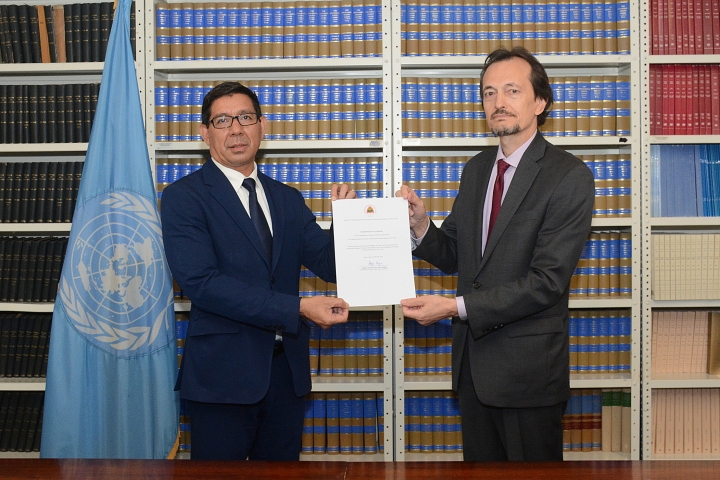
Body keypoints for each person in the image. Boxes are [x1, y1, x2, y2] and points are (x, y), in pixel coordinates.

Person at [397, 47, 595, 461]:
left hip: (528, 375)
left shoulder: (569, 175)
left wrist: (455, 306)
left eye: (511, 91)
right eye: (489, 93)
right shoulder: (477, 169)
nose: (498, 103)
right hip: (474, 371)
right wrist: (420, 226)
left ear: (540, 102)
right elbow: (456, 254)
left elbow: (548, 282)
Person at [161, 81, 355, 461]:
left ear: (262, 126)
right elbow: (202, 284)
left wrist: (348, 225)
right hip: (221, 380)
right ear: (205, 133)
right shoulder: (183, 197)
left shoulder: (287, 198)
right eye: (222, 120)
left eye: (246, 117)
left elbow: (330, 264)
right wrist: (297, 308)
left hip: (286, 377)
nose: (236, 129)